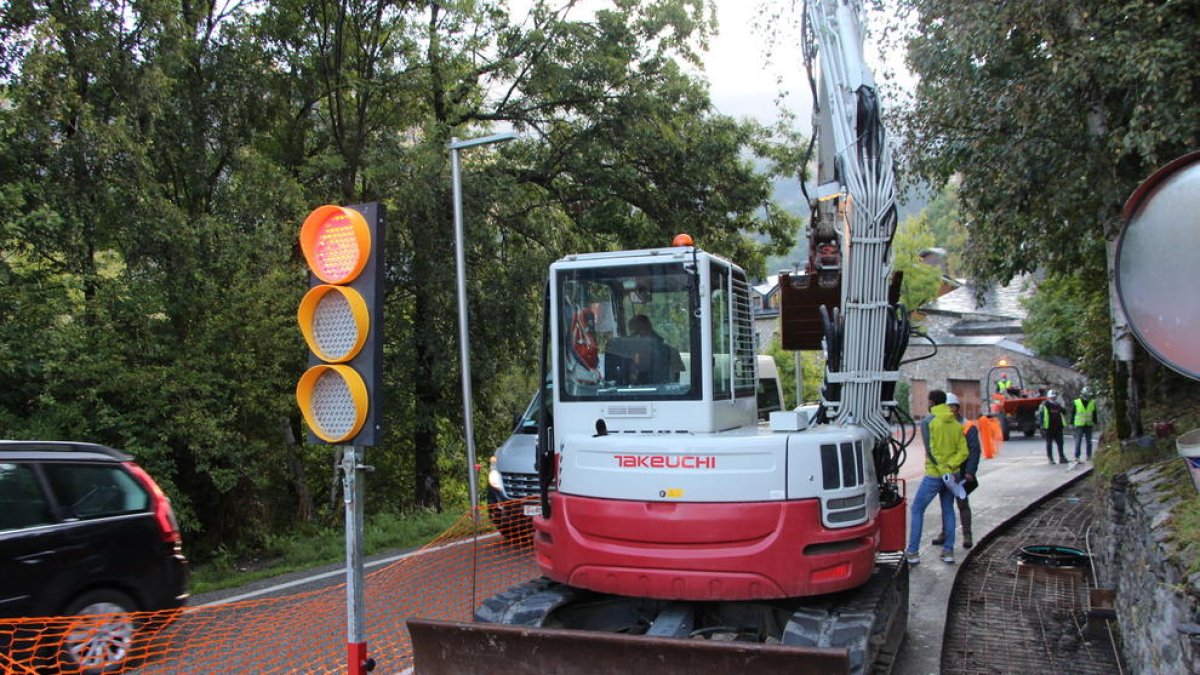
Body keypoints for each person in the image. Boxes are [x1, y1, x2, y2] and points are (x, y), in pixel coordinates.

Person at [907, 389, 969, 565]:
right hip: (952, 476)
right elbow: (963, 451)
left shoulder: (929, 422)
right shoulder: (957, 424)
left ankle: (913, 552)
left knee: (917, 509)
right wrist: (950, 467)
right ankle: (948, 551)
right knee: (948, 509)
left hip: (935, 475)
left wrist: (942, 469)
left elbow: (931, 450)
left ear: (932, 402)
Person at [928, 394, 981, 549]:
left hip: (962, 472)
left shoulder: (968, 427)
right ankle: (945, 533)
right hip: (946, 471)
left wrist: (970, 471)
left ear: (957, 408)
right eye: (946, 406)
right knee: (946, 504)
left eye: (951, 406)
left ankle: (967, 535)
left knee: (962, 504)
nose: (949, 410)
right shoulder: (940, 424)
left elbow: (974, 451)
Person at [1038, 390, 1069, 464]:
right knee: (1049, 443)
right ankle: (1050, 458)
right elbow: (1041, 416)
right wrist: (1042, 426)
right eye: (1052, 396)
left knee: (1060, 443)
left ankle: (1062, 457)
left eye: (1055, 396)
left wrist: (1063, 403)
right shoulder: (1045, 405)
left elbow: (1064, 412)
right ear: (1049, 397)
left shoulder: (1058, 405)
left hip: (1058, 427)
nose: (1054, 397)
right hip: (1049, 427)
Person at [1072, 386, 1099, 463]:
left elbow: (1094, 413)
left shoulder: (1092, 402)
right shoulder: (1076, 402)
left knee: (1089, 441)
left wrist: (1095, 422)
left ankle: (1089, 456)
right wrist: (1071, 423)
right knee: (1078, 441)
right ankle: (1077, 457)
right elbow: (1073, 413)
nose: (1088, 396)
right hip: (1079, 425)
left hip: (1089, 424)